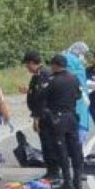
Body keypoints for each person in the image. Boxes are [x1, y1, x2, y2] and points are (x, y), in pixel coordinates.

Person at [44, 54, 84, 189]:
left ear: (55, 65)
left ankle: (67, 181)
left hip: (58, 117)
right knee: (75, 148)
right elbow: (78, 95)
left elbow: (43, 98)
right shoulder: (74, 78)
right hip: (72, 116)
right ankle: (77, 179)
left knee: (61, 150)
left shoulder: (52, 80)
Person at [22, 51, 60, 181]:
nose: (27, 68)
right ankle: (51, 170)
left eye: (27, 65)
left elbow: (42, 99)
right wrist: (29, 91)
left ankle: (54, 171)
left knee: (49, 143)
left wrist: (36, 118)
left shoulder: (43, 74)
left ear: (32, 63)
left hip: (46, 115)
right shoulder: (39, 75)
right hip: (45, 114)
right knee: (47, 143)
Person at [64, 42, 91, 142]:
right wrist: (83, 92)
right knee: (79, 124)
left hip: (78, 96)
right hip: (77, 98)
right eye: (83, 53)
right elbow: (74, 77)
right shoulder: (71, 60)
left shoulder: (71, 59)